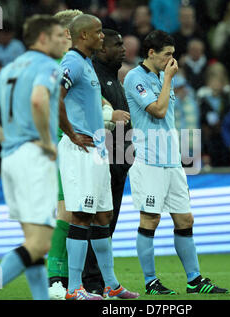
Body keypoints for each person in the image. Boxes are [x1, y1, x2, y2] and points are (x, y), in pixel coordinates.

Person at [0, 14, 65, 300]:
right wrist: (47, 141)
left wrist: (3, 138)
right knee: (40, 243)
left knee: (32, 242)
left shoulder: (10, 68)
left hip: (11, 158)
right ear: (42, 38)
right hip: (34, 157)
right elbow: (38, 99)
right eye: (58, 36)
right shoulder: (46, 65)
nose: (62, 41)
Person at [124, 30, 228, 295]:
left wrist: (166, 77)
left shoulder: (162, 76)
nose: (172, 60)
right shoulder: (135, 78)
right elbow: (157, 111)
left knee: (185, 219)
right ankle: (150, 281)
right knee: (150, 220)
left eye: (173, 54)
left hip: (172, 161)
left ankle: (194, 280)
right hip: (148, 161)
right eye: (167, 54)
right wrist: (169, 78)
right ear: (151, 53)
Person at [58, 14, 139, 300]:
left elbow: (92, 100)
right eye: (97, 32)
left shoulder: (87, 64)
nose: (102, 36)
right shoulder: (71, 62)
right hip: (80, 150)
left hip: (98, 149)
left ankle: (110, 284)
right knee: (81, 215)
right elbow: (51, 95)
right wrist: (69, 132)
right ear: (82, 36)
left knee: (103, 215)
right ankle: (74, 288)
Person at [79, 28, 132, 295]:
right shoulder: (94, 78)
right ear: (102, 50)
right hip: (104, 162)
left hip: (119, 163)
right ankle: (91, 282)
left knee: (107, 224)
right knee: (98, 223)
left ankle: (102, 282)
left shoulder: (112, 78)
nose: (123, 49)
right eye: (118, 44)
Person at [46, 8, 84, 301]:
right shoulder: (58, 63)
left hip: (79, 144)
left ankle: (79, 280)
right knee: (67, 211)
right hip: (62, 144)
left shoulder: (78, 61)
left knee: (81, 213)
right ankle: (54, 279)